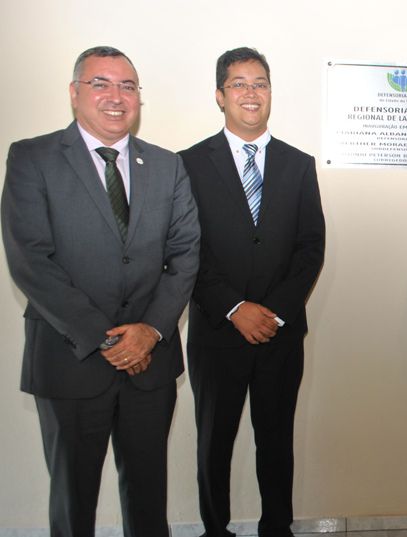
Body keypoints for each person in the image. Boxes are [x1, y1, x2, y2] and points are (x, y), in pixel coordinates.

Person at [1, 46, 200, 536]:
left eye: (128, 86)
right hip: (72, 360)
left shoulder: (167, 165)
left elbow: (186, 253)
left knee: (148, 496)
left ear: (139, 99)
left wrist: (150, 331)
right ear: (75, 93)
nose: (116, 96)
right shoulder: (33, 157)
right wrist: (109, 339)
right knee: (73, 500)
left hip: (150, 364)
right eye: (101, 83)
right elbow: (31, 260)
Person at [179, 47, 325, 537]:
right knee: (213, 444)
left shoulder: (298, 165)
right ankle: (215, 530)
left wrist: (274, 312)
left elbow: (311, 249)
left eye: (259, 83)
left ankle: (276, 529)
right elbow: (185, 251)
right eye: (238, 84)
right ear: (220, 95)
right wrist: (236, 308)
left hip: (280, 336)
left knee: (276, 442)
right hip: (216, 333)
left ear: (270, 93)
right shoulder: (189, 164)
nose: (250, 92)